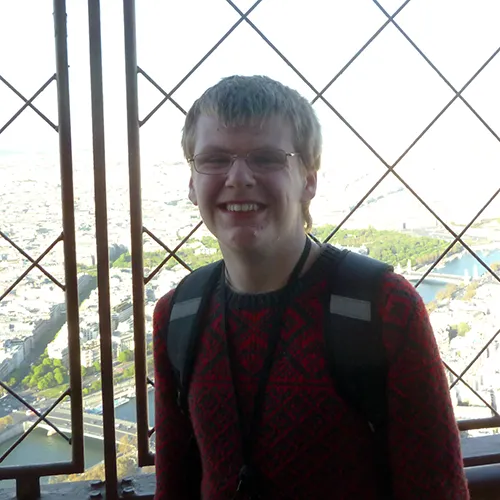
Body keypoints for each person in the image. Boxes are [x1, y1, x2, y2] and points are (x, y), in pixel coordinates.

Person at [153, 75, 469, 499]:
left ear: (309, 180)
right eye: (214, 160)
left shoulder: (385, 309)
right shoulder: (177, 315)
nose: (238, 177)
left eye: (266, 158)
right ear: (192, 183)